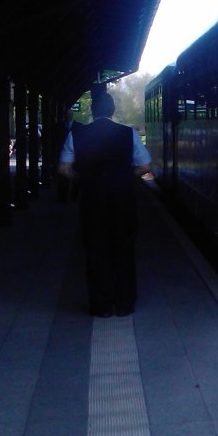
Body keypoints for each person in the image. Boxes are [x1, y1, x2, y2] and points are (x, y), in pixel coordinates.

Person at [58, 90, 150, 318]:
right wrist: (126, 178)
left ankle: (101, 306)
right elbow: (145, 166)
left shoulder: (77, 134)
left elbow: (63, 168)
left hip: (92, 200)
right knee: (124, 249)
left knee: (96, 250)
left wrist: (84, 179)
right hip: (122, 199)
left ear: (92, 110)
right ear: (113, 111)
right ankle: (125, 303)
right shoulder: (128, 134)